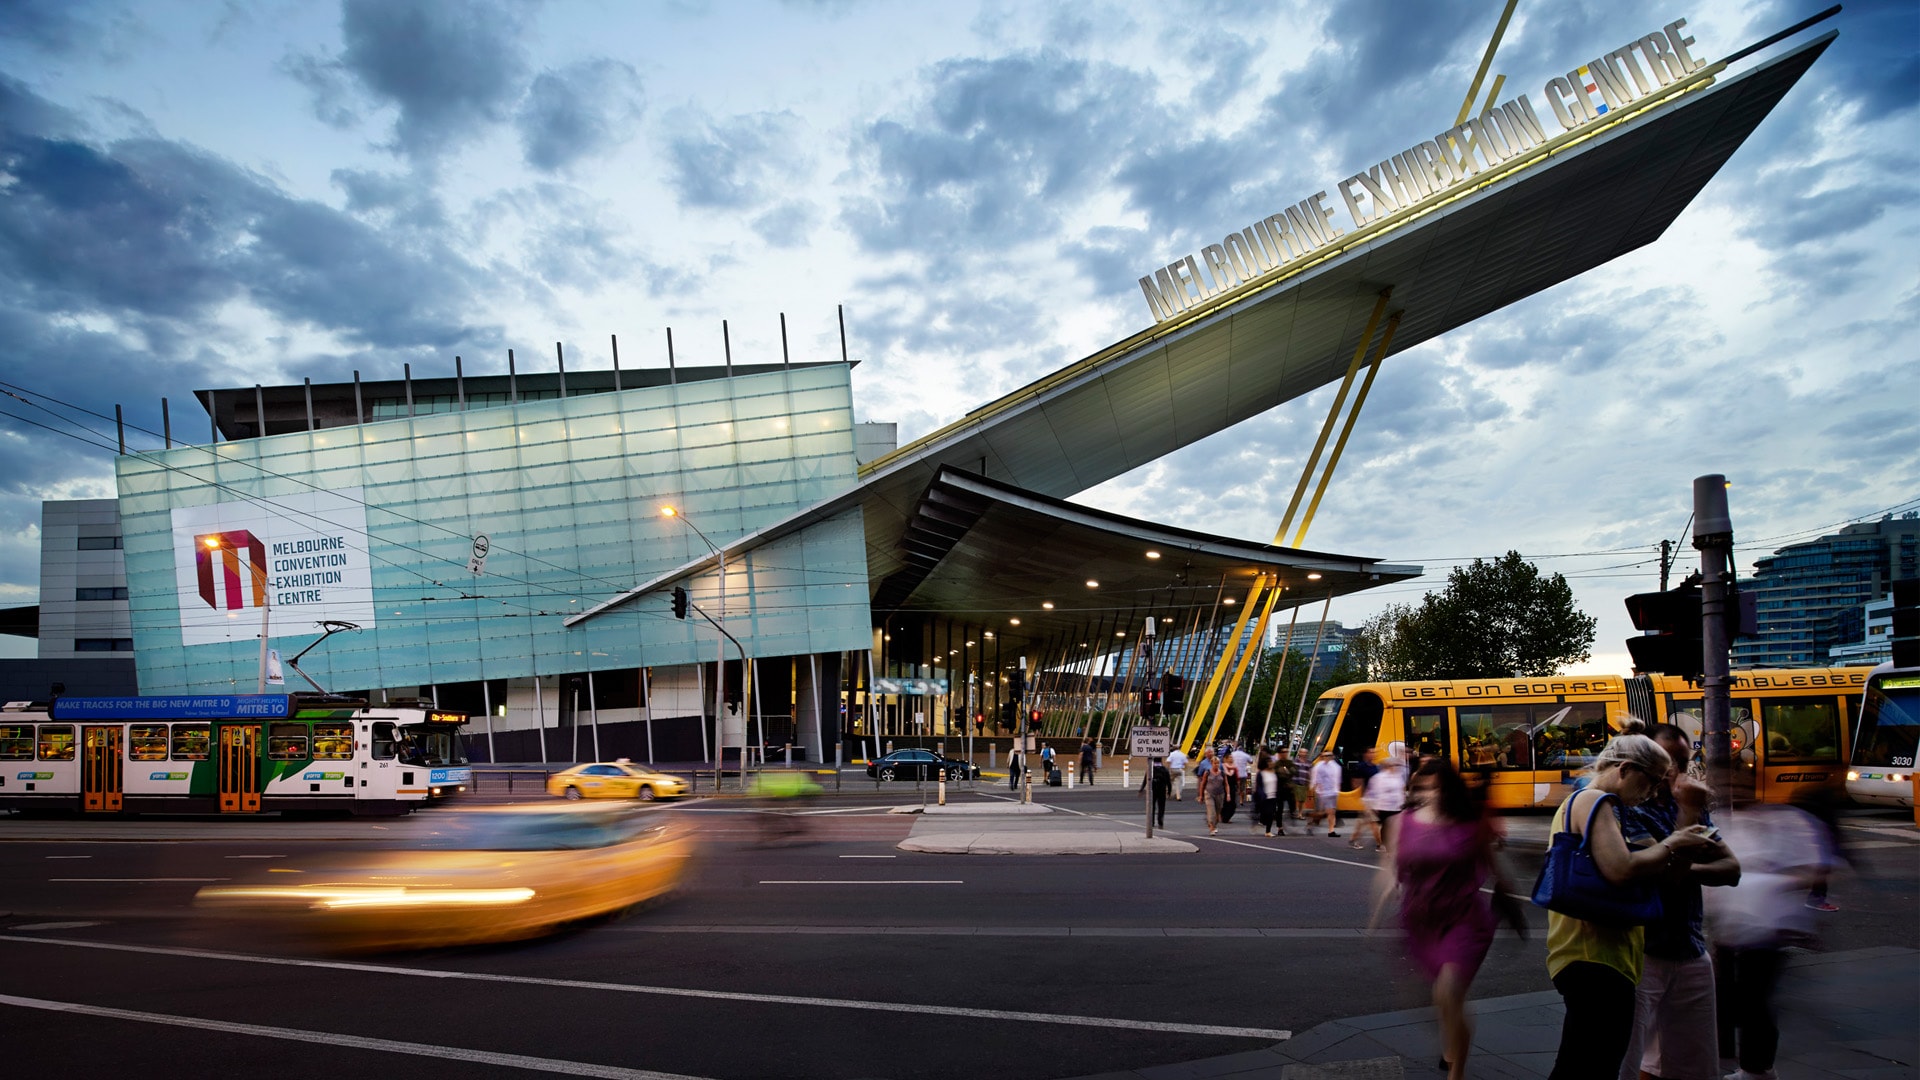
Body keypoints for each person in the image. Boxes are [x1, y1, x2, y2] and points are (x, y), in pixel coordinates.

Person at [1544, 722, 1712, 1080]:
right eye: (1650, 781)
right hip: (1593, 955)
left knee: (1581, 1063)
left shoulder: (1607, 806)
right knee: (1593, 1066)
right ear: (1624, 769)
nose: (1652, 792)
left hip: (1604, 956)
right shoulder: (1593, 800)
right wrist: (1675, 842)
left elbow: (1664, 872)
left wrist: (1677, 839)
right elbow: (1621, 868)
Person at [1373, 758, 1519, 1080]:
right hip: (1422, 922)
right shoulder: (1401, 823)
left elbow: (1494, 866)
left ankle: (1457, 1072)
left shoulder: (1470, 823)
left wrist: (1510, 899)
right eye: (1421, 787)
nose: (1427, 794)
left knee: (1449, 990)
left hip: (1464, 919)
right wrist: (1382, 898)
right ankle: (1451, 1041)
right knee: (1443, 997)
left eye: (1435, 788)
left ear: (1449, 790)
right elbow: (1391, 867)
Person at [1617, 723, 1740, 1080]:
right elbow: (1667, 879)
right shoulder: (1627, 810)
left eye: (1683, 763)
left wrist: (1680, 864)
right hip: (1641, 951)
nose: (1676, 772)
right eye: (1667, 761)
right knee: (1627, 1058)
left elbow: (1731, 869)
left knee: (1694, 1061)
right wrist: (1688, 817)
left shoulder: (1686, 806)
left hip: (1688, 945)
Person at [1706, 800, 1836, 1080]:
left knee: (1755, 1000)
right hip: (1731, 927)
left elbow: (1812, 869)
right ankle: (1747, 1063)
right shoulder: (1725, 822)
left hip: (1767, 928)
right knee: (1731, 998)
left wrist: (1767, 883)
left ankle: (1758, 1069)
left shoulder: (1788, 821)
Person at [1358, 751, 1407, 851]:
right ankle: (1386, 846)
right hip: (1384, 807)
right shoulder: (1379, 778)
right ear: (1388, 766)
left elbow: (1401, 790)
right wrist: (1372, 806)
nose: (1396, 767)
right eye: (1394, 765)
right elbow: (1374, 792)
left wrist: (1403, 802)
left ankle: (1392, 845)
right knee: (1386, 827)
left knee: (1396, 828)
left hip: (1397, 807)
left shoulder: (1398, 777)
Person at [1310, 750, 1343, 837]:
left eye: (1329, 755)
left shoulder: (1335, 766)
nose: (1327, 757)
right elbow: (1318, 780)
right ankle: (1310, 823)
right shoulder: (1319, 766)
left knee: (1331, 812)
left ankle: (1331, 831)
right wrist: (1320, 791)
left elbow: (1338, 779)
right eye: (1325, 756)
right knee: (1322, 813)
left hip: (1332, 792)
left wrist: (1337, 789)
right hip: (1322, 793)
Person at [1253, 751, 1285, 836]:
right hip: (1265, 796)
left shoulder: (1274, 773)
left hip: (1273, 796)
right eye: (1269, 762)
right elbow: (1259, 786)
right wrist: (1261, 794)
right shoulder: (1261, 773)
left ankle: (1268, 831)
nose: (1271, 763)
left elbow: (1278, 783)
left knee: (1271, 813)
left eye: (1271, 762)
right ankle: (1264, 827)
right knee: (1267, 813)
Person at [1198, 748, 1227, 835]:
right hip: (1209, 793)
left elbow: (1226, 783)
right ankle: (1211, 827)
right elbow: (1201, 781)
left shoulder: (1221, 771)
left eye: (1218, 763)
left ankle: (1214, 825)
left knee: (1217, 812)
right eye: (1215, 763)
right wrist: (1200, 795)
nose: (1216, 765)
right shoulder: (1205, 768)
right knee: (1211, 811)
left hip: (1220, 793)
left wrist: (1228, 794)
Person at [1143, 757, 1170, 827]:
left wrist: (1141, 789)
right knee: (1161, 806)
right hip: (1162, 790)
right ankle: (1160, 821)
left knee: (1152, 806)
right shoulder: (1164, 770)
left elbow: (1145, 780)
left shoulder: (1151, 769)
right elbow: (1168, 782)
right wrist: (1169, 791)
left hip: (1152, 789)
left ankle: (1152, 822)